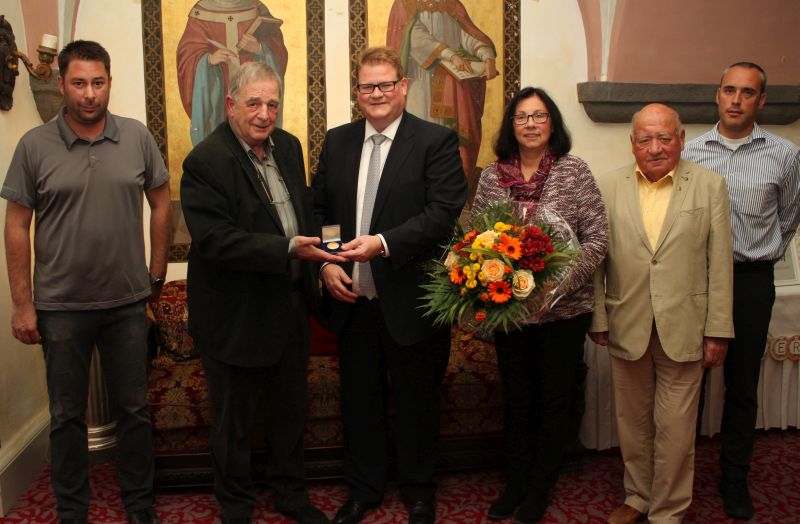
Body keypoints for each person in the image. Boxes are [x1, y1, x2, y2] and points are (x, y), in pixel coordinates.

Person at [2, 40, 170, 524]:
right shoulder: (34, 145)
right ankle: (72, 510)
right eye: (79, 83)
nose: (89, 94)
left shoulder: (137, 137)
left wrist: (155, 276)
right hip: (60, 307)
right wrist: (22, 304)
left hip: (127, 305)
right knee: (66, 417)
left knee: (134, 412)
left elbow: (161, 202)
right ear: (61, 84)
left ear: (110, 82)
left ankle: (140, 505)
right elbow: (16, 224)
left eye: (98, 82)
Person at [180, 61, 342, 524]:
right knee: (233, 422)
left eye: (272, 103)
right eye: (254, 102)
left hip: (290, 306)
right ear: (231, 104)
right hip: (236, 312)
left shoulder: (289, 148)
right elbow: (216, 240)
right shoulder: (206, 161)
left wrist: (327, 259)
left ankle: (291, 496)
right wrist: (290, 248)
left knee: (290, 412)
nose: (264, 113)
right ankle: (235, 505)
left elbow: (307, 213)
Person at [312, 46, 467, 524]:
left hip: (411, 300)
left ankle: (419, 491)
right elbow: (321, 212)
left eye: (385, 84)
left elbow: (442, 215)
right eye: (366, 86)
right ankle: (364, 490)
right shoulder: (337, 142)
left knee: (417, 402)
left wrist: (382, 243)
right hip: (352, 300)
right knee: (360, 402)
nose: (376, 94)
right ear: (356, 93)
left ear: (403, 87)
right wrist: (329, 261)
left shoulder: (436, 141)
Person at [589, 103, 734, 524]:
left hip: (686, 326)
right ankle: (637, 496)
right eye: (646, 139)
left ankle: (668, 511)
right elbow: (596, 260)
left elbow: (720, 264)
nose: (656, 147)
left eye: (665, 138)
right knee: (632, 423)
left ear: (681, 139)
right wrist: (598, 317)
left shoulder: (709, 187)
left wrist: (718, 330)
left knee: (675, 429)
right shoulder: (608, 186)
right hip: (626, 322)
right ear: (632, 144)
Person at [470, 87, 608, 523]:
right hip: (510, 313)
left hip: (563, 312)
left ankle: (540, 487)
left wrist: (558, 285)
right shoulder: (493, 176)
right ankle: (516, 482)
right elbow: (477, 238)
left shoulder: (574, 172)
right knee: (518, 398)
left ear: (553, 124)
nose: (530, 124)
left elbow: (598, 239)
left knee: (553, 399)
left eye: (539, 116)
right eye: (522, 117)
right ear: (511, 125)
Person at [683, 62, 800, 520]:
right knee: (687, 380)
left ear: (761, 100)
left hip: (751, 279)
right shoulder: (690, 152)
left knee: (742, 385)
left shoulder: (785, 155)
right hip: (696, 280)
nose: (736, 99)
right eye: (729, 90)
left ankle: (734, 479)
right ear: (717, 95)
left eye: (747, 93)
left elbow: (788, 218)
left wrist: (758, 253)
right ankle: (678, 477)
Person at [386, 0, 498, 203]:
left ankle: (456, 195)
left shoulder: (451, 4)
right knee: (421, 142)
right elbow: (414, 36)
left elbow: (467, 34)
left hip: (455, 87)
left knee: (456, 141)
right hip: (420, 84)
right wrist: (449, 54)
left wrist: (486, 55)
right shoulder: (404, 4)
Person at [177, 0, 288, 145]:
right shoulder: (201, 11)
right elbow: (187, 57)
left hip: (253, 100)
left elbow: (278, 53)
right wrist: (209, 60)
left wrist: (259, 48)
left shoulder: (257, 8)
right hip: (218, 104)